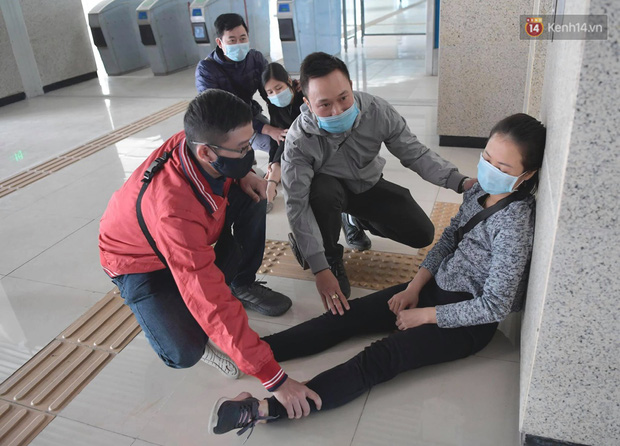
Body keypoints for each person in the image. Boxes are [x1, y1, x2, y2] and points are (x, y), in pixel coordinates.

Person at [208, 113, 546, 437]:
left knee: (380, 358)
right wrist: (414, 288)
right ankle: (251, 353)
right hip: (434, 288)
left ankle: (263, 410)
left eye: (502, 167)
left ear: (527, 174)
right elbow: (448, 240)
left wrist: (425, 316)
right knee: (345, 316)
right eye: (486, 157)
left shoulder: (514, 224)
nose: (489, 169)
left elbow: (494, 306)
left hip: (465, 321)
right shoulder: (479, 191)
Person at [99, 90, 307, 395]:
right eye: (243, 148)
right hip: (137, 262)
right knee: (184, 350)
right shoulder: (173, 212)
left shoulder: (196, 143)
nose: (250, 152)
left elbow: (229, 164)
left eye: (249, 142)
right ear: (207, 153)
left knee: (254, 195)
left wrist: (244, 173)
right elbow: (208, 295)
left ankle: (242, 285)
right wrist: (271, 376)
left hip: (179, 234)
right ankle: (179, 318)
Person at [281, 52, 476, 310]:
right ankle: (331, 256)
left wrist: (459, 181)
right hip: (326, 195)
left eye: (343, 98)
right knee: (322, 191)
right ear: (307, 103)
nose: (337, 110)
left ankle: (352, 219)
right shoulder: (298, 141)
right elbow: (296, 203)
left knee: (422, 233)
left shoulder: (376, 111)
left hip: (367, 185)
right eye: (324, 104)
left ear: (351, 87)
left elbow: (415, 153)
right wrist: (320, 268)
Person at [195, 13, 285, 154]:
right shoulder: (206, 70)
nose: (239, 44)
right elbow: (219, 113)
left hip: (249, 114)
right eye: (232, 40)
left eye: (243, 38)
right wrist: (267, 129)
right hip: (225, 126)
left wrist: (290, 90)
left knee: (282, 139)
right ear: (220, 43)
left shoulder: (255, 59)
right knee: (270, 143)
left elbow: (269, 91)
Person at [260, 62, 305, 212]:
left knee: (291, 134)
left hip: (309, 140)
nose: (276, 94)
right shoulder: (273, 105)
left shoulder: (303, 95)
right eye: (270, 91)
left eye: (279, 88)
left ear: (289, 81)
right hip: (290, 145)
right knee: (284, 136)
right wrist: (271, 160)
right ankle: (273, 178)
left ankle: (271, 184)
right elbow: (277, 134)